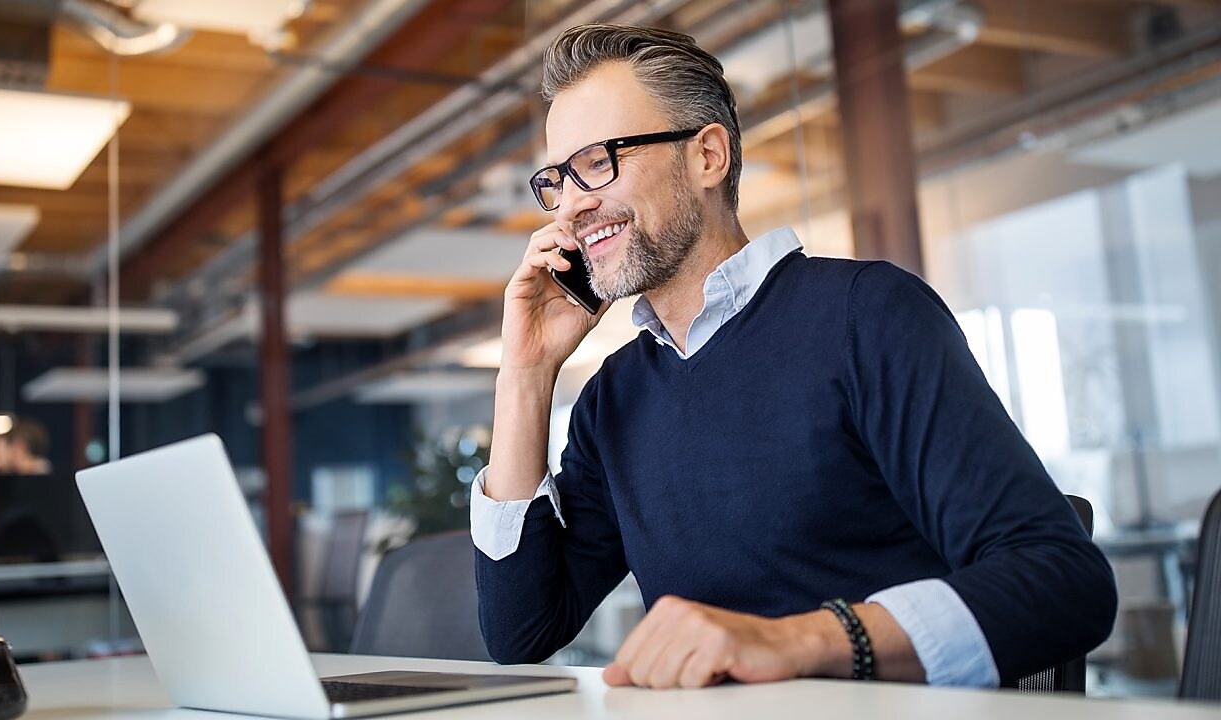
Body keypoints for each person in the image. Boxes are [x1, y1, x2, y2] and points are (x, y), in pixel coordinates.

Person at [470, 24, 1116, 690]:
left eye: (599, 161)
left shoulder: (866, 315)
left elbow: (1064, 581)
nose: (572, 206)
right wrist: (525, 375)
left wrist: (796, 641)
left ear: (708, 157)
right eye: (555, 180)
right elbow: (522, 632)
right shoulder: (615, 397)